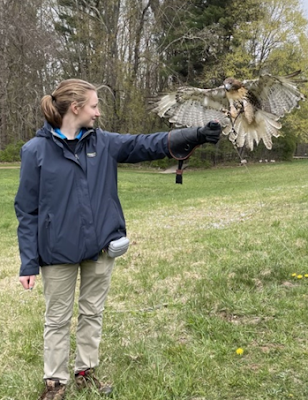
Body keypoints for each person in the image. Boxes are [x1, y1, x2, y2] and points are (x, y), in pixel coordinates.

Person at [14, 78, 221, 400]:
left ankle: (85, 372)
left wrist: (194, 135)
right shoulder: (35, 151)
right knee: (56, 320)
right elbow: (27, 211)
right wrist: (28, 262)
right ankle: (55, 383)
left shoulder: (104, 142)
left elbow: (145, 144)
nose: (97, 113)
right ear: (76, 108)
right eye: (94, 106)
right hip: (56, 251)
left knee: (92, 312)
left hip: (100, 248)